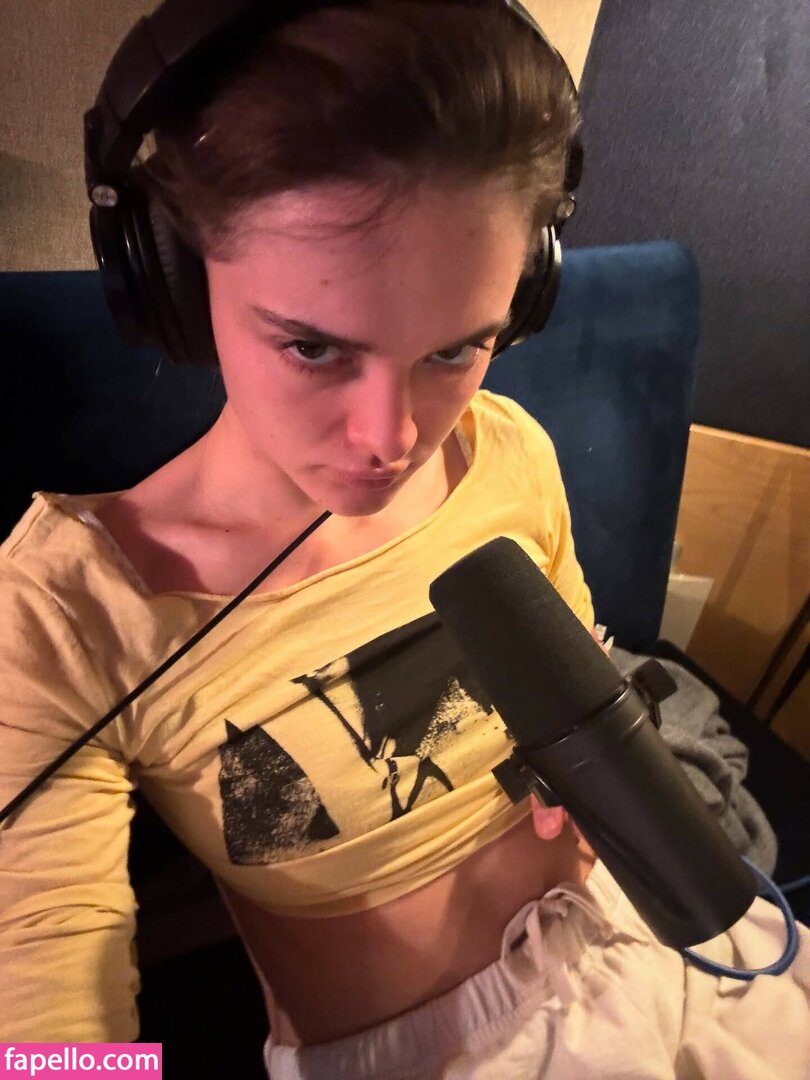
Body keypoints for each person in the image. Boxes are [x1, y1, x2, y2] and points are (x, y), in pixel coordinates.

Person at [0, 1, 808, 1076]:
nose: (392, 440)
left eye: (456, 349)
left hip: (653, 936)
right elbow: (46, 1027)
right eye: (313, 347)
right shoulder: (67, 614)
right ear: (176, 282)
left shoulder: (506, 448)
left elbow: (582, 681)